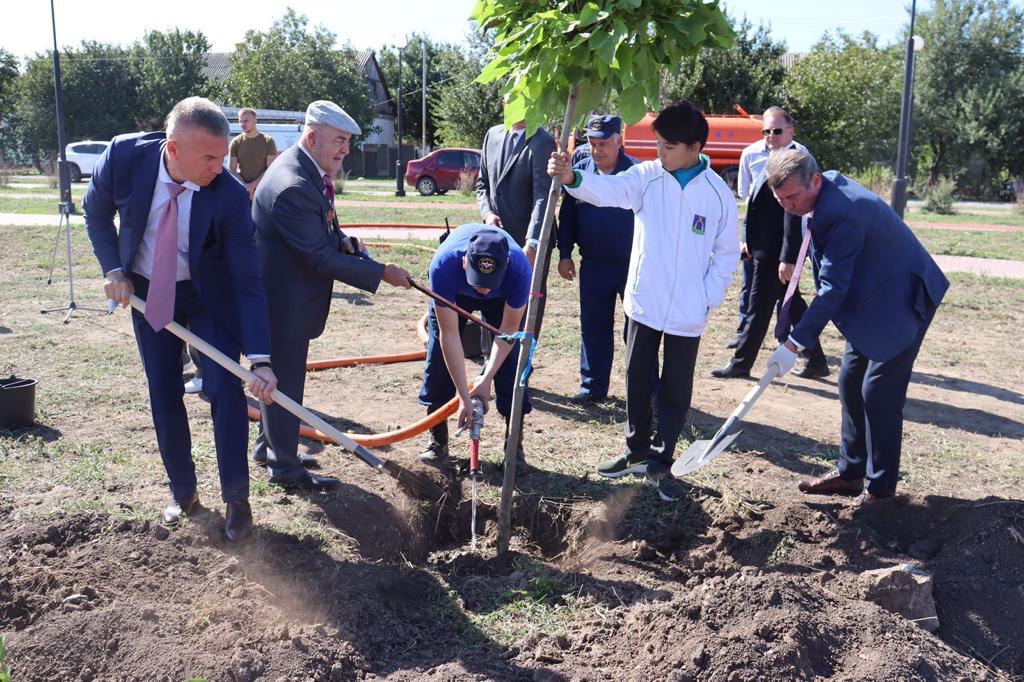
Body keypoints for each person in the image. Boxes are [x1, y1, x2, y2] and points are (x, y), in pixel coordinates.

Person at [84, 96, 277, 541]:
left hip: (207, 297)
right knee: (163, 388)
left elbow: (248, 280)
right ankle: (183, 493)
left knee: (224, 387)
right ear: (173, 150)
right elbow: (95, 211)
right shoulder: (124, 157)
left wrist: (261, 358)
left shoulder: (227, 194)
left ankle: (236, 498)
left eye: (222, 154)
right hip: (148, 290)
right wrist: (113, 269)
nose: (219, 165)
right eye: (209, 157)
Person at [548, 101, 740, 502]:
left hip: (688, 311)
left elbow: (725, 254)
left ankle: (662, 461)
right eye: (657, 145)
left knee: (674, 388)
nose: (660, 153)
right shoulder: (648, 178)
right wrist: (571, 176)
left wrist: (707, 297)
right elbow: (609, 190)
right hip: (645, 302)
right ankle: (635, 451)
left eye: (668, 147)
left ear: (694, 147)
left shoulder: (719, 194)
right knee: (637, 376)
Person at [763, 150, 949, 506]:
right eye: (780, 199)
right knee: (850, 379)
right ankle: (850, 474)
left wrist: (794, 344)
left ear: (815, 180)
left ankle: (880, 492)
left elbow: (833, 289)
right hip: (871, 298)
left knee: (878, 393)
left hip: (903, 301)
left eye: (792, 197)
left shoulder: (841, 212)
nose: (787, 206)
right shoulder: (818, 194)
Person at [252, 100, 411, 491]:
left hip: (287, 298)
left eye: (348, 142)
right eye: (339, 141)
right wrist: (381, 273)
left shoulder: (306, 170)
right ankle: (285, 469)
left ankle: (270, 447)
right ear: (312, 137)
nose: (346, 150)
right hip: (282, 303)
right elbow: (316, 257)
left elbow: (319, 235)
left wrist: (343, 241)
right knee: (284, 382)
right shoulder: (293, 184)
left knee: (284, 381)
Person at [712, 107, 829, 379]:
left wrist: (789, 257)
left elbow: (793, 211)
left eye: (776, 131)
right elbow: (750, 202)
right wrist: (748, 241)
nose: (771, 136)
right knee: (790, 303)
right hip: (761, 245)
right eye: (766, 131)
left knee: (760, 305)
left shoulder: (799, 158)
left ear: (790, 130)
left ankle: (741, 364)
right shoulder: (752, 153)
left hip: (782, 249)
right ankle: (816, 361)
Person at [417, 224, 533, 476]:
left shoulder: (519, 271)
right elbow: (450, 335)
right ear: (464, 263)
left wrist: (485, 380)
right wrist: (463, 395)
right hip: (457, 293)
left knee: (512, 364)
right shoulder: (444, 266)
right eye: (479, 281)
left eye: (490, 282)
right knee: (438, 357)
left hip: (502, 302)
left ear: (505, 267)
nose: (484, 289)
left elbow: (508, 333)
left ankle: (514, 447)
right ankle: (438, 442)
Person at [556, 114, 638, 405]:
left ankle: (644, 390)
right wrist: (565, 254)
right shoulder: (579, 172)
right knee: (593, 325)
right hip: (593, 264)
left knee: (638, 330)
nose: (596, 150)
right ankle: (593, 386)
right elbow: (567, 217)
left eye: (603, 143)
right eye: (591, 143)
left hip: (633, 266)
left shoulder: (637, 173)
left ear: (619, 141)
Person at [229, 108, 278, 201]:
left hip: (263, 192)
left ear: (255, 121)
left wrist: (253, 186)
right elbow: (232, 170)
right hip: (243, 192)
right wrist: (246, 187)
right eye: (240, 121)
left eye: (246, 121)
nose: (243, 124)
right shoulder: (235, 142)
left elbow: (270, 169)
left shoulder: (268, 141)